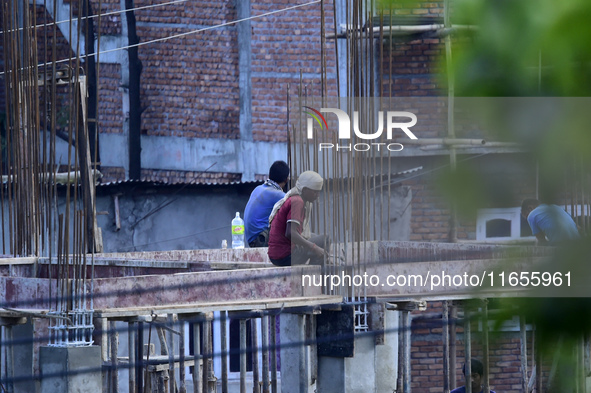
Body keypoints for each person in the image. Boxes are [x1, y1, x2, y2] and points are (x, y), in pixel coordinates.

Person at [267, 170, 328, 267]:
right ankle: (314, 275)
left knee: (314, 237)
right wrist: (314, 247)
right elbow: (290, 233)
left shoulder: (294, 199)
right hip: (285, 256)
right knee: (325, 240)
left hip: (276, 255)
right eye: (315, 192)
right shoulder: (297, 202)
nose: (317, 195)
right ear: (304, 190)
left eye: (318, 192)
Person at [244, 161, 290, 248]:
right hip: (261, 239)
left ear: (269, 175)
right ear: (286, 179)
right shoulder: (279, 195)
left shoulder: (258, 189)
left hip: (251, 239)